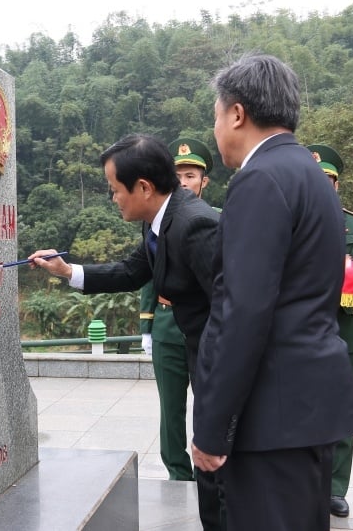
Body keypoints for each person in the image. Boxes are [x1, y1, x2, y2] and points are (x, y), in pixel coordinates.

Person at [191, 53, 353, 531]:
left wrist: (212, 428)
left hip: (272, 416)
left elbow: (243, 311)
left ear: (238, 114)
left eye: (216, 115)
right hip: (307, 408)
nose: (216, 129)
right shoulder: (312, 176)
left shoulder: (260, 179)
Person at [27, 133, 225, 530]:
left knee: (221, 478)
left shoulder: (195, 224)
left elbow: (232, 313)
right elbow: (134, 271)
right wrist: (67, 271)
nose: (113, 198)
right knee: (213, 482)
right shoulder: (159, 221)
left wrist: (220, 414)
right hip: (202, 355)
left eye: (115, 190)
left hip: (220, 367)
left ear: (144, 188)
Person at [139, 138, 215, 482]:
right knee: (170, 408)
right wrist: (147, 325)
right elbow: (147, 273)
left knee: (208, 403)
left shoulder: (216, 220)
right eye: (178, 175)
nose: (183, 182)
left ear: (204, 181)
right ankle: (177, 471)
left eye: (190, 175)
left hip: (204, 329)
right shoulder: (156, 221)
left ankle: (207, 470)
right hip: (168, 326)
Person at [308, 143, 353, 519]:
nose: (323, 186)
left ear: (336, 184)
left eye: (328, 180)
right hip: (302, 330)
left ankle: (335, 487)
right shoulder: (293, 219)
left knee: (341, 412)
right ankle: (304, 481)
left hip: (342, 326)